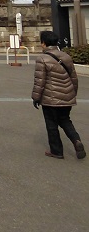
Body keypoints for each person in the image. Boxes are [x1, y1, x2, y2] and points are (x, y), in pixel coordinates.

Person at [32, 30, 85, 160]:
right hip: (67, 96)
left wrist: (36, 97)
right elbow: (74, 78)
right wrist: (72, 94)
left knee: (51, 124)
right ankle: (76, 140)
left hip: (50, 98)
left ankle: (56, 151)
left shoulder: (42, 59)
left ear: (43, 43)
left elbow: (40, 81)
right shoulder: (66, 56)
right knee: (66, 120)